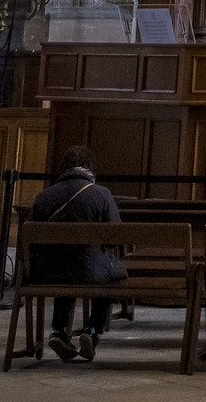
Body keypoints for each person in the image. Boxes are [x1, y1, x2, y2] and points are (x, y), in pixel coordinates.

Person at [30, 146, 125, 363]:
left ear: (64, 168)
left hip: (46, 273)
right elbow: (116, 236)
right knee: (110, 275)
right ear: (90, 168)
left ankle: (58, 331)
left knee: (67, 264)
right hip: (88, 272)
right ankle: (92, 330)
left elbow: (32, 240)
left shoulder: (43, 197)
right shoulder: (101, 194)